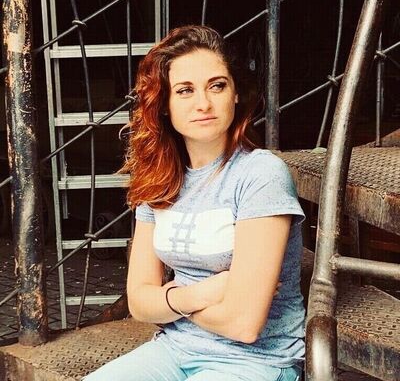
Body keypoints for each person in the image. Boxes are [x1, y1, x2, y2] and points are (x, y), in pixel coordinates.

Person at [83, 25, 305, 381]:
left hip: (255, 360)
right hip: (174, 349)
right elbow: (138, 302)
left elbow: (244, 323)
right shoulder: (158, 178)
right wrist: (204, 293)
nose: (203, 103)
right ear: (165, 105)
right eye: (185, 90)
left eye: (217, 86)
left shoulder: (261, 174)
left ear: (235, 94)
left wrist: (168, 301)